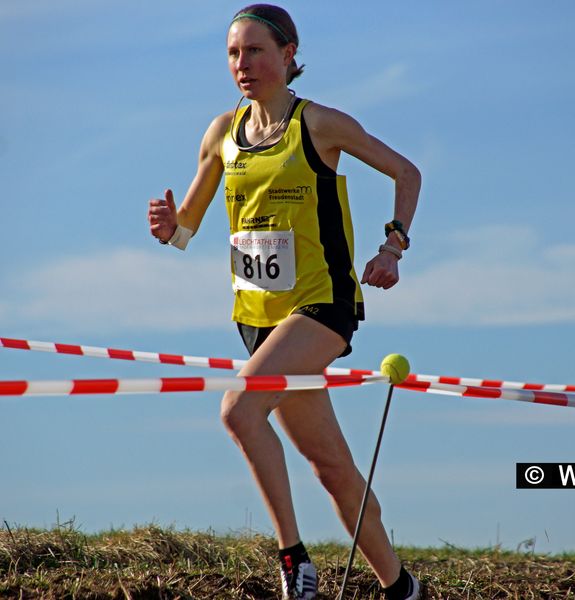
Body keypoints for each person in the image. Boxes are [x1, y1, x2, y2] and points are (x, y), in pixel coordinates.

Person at [147, 5, 422, 599]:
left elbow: (406, 171)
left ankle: (293, 559)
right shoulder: (221, 133)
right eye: (232, 54)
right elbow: (188, 229)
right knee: (332, 468)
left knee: (238, 411)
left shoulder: (320, 124)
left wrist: (393, 246)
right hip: (258, 322)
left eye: (254, 51)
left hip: (322, 305)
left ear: (289, 54)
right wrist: (170, 226)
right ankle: (401, 586)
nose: (242, 65)